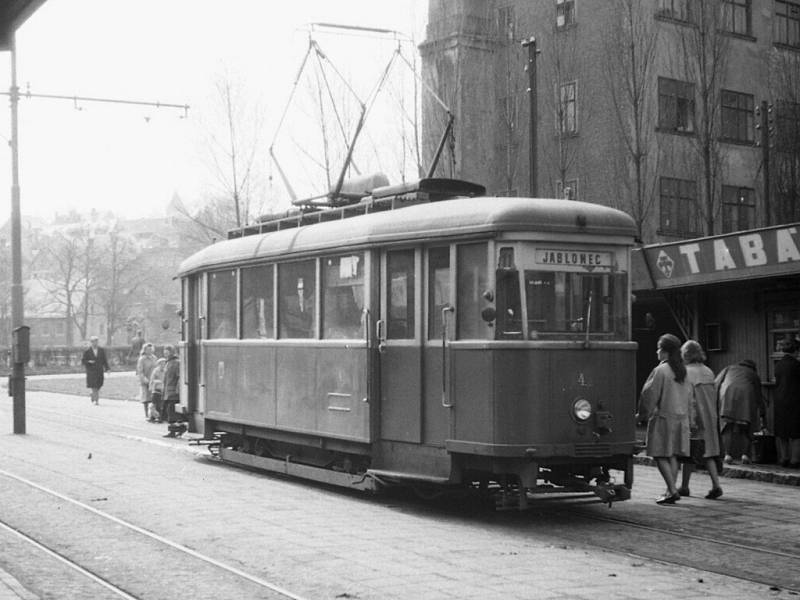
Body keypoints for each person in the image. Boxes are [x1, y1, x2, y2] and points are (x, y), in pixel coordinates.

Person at [636, 333, 691, 505]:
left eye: (659, 348)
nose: (657, 352)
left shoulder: (660, 371)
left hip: (663, 418)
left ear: (666, 352)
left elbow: (649, 395)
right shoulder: (683, 371)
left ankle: (672, 490)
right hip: (681, 418)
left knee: (659, 454)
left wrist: (642, 415)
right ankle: (670, 489)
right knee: (673, 455)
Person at [677, 340, 723, 500]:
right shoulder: (708, 371)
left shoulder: (686, 372)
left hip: (695, 417)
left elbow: (689, 399)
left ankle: (683, 486)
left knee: (687, 451)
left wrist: (691, 419)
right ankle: (715, 484)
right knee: (708, 452)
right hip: (710, 416)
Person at [715, 358, 763, 465]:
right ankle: (745, 455)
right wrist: (763, 412)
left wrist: (714, 403)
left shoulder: (728, 369)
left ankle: (728, 455)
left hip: (727, 397)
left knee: (727, 427)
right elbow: (759, 395)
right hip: (746, 398)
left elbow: (716, 384)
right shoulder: (753, 374)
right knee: (745, 427)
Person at [774, 339, 800, 468]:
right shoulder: (797, 365)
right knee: (795, 432)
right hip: (795, 400)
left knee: (782, 431)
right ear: (796, 351)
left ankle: (784, 458)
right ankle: (795, 460)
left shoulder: (778, 365)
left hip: (779, 400)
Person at [81, 336, 110, 405]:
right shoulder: (87, 351)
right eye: (93, 342)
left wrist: (107, 368)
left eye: (96, 341)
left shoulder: (101, 350)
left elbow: (104, 360)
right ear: (91, 343)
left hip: (99, 370)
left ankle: (93, 394)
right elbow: (83, 361)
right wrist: (89, 362)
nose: (95, 343)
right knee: (94, 385)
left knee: (99, 384)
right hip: (91, 371)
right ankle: (96, 400)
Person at [162, 345, 182, 437]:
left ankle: (174, 430)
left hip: (173, 391)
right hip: (168, 390)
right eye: (165, 351)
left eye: (168, 351)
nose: (166, 353)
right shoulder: (168, 363)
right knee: (169, 410)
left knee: (172, 410)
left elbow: (179, 376)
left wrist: (177, 388)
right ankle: (174, 429)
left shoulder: (176, 363)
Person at [136, 343, 157, 421]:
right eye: (148, 349)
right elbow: (140, 371)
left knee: (153, 397)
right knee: (146, 398)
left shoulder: (154, 358)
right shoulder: (142, 359)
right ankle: (146, 413)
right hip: (145, 380)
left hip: (153, 380)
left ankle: (153, 413)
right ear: (144, 350)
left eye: (151, 349)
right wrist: (144, 379)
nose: (150, 351)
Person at [149, 357, 167, 423]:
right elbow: (152, 380)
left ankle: (160, 417)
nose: (163, 365)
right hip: (156, 389)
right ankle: (152, 416)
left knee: (161, 405)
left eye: (164, 364)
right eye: (161, 364)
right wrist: (158, 382)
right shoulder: (156, 371)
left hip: (163, 390)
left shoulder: (166, 371)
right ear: (158, 364)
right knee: (154, 404)